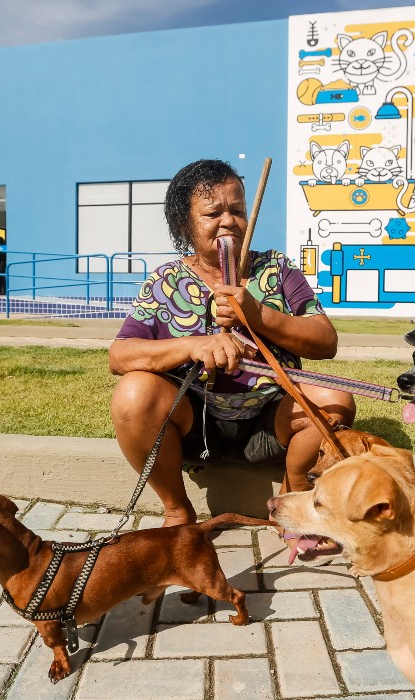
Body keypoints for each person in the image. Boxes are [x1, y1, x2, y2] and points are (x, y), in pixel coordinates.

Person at [108, 159, 355, 548]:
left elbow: (326, 341)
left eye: (237, 211)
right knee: (133, 395)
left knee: (336, 400)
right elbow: (120, 356)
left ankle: (292, 506)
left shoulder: (275, 269)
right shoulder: (167, 280)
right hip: (195, 423)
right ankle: (177, 511)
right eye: (212, 213)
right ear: (184, 225)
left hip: (271, 418)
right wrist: (194, 345)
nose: (228, 222)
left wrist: (258, 314)